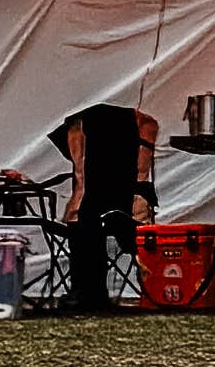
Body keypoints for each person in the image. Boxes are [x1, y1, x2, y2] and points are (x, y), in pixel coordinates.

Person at [63, 102, 151, 314]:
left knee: (87, 223)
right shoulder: (79, 128)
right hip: (90, 207)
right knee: (83, 223)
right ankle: (87, 292)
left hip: (121, 207)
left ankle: (88, 293)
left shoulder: (136, 125)